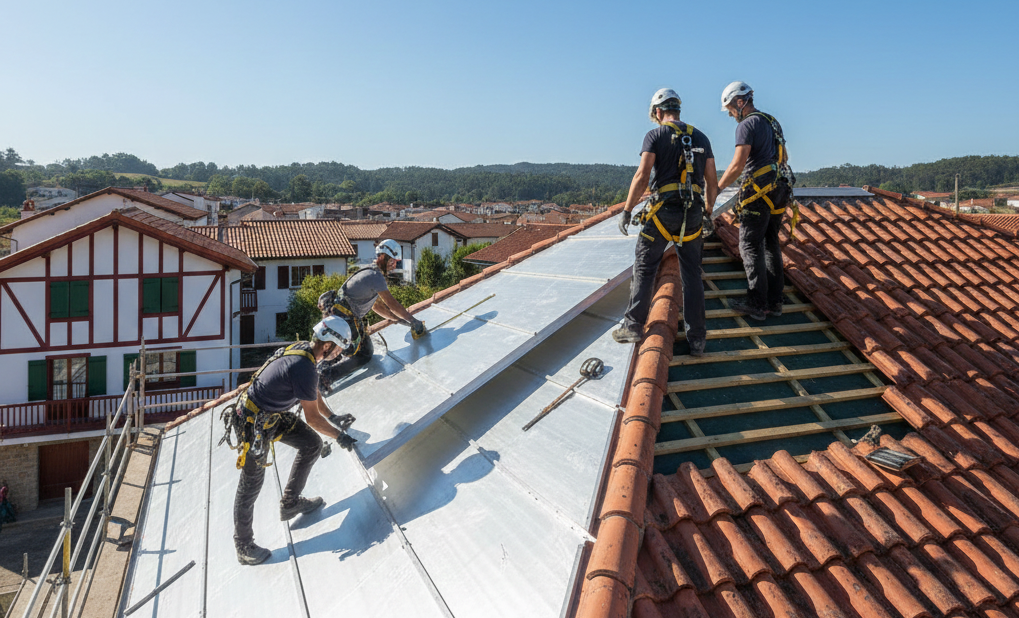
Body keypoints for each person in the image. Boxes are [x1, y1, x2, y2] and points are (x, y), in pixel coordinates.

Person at [232, 316, 358, 565]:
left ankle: (290, 503)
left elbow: (312, 393)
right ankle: (243, 546)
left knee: (311, 444)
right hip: (251, 423)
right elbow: (312, 418)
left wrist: (332, 417)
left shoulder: (305, 353)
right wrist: (339, 436)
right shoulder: (304, 367)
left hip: (269, 415)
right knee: (251, 485)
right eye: (339, 349)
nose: (340, 355)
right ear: (328, 345)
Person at [614, 88, 716, 356]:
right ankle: (697, 339)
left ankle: (633, 325)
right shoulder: (701, 137)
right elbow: (712, 182)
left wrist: (627, 209)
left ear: (658, 112)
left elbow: (642, 174)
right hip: (693, 213)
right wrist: (708, 212)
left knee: (645, 267)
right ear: (677, 109)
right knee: (692, 275)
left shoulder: (655, 135)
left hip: (662, 213)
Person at [716, 81, 793, 321]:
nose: (730, 114)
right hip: (780, 188)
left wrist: (717, 188)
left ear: (740, 102)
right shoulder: (772, 121)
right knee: (770, 242)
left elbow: (738, 164)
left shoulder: (747, 125)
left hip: (759, 191)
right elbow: (785, 156)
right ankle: (775, 302)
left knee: (749, 245)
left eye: (730, 109)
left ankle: (757, 304)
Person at [317, 239, 425, 389]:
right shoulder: (375, 276)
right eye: (392, 261)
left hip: (343, 316)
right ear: (382, 257)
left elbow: (376, 306)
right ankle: (324, 378)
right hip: (345, 319)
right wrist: (413, 321)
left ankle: (321, 372)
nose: (394, 265)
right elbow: (391, 303)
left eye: (396, 262)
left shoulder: (370, 272)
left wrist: (394, 319)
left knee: (354, 350)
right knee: (359, 353)